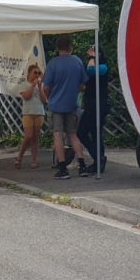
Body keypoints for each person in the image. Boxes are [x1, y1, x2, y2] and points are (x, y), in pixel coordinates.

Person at [41, 35, 88, 180]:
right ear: (70, 47)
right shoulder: (77, 62)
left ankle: (62, 168)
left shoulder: (53, 64)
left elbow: (46, 86)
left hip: (56, 104)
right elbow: (82, 85)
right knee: (73, 134)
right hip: (71, 103)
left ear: (57, 47)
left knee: (57, 134)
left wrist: (49, 97)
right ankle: (82, 165)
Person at [77, 45, 110, 176]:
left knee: (95, 132)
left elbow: (91, 69)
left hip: (98, 103)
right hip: (91, 103)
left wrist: (92, 57)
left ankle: (99, 159)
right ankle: (99, 157)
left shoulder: (103, 67)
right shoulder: (97, 66)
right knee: (82, 132)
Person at [14, 64, 47, 169]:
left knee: (35, 138)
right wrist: (33, 85)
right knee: (28, 136)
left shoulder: (41, 85)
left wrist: (40, 87)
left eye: (38, 73)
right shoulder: (24, 84)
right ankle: (19, 157)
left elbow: (44, 100)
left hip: (39, 112)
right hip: (28, 112)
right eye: (35, 73)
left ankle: (33, 160)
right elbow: (26, 97)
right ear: (29, 74)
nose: (37, 75)